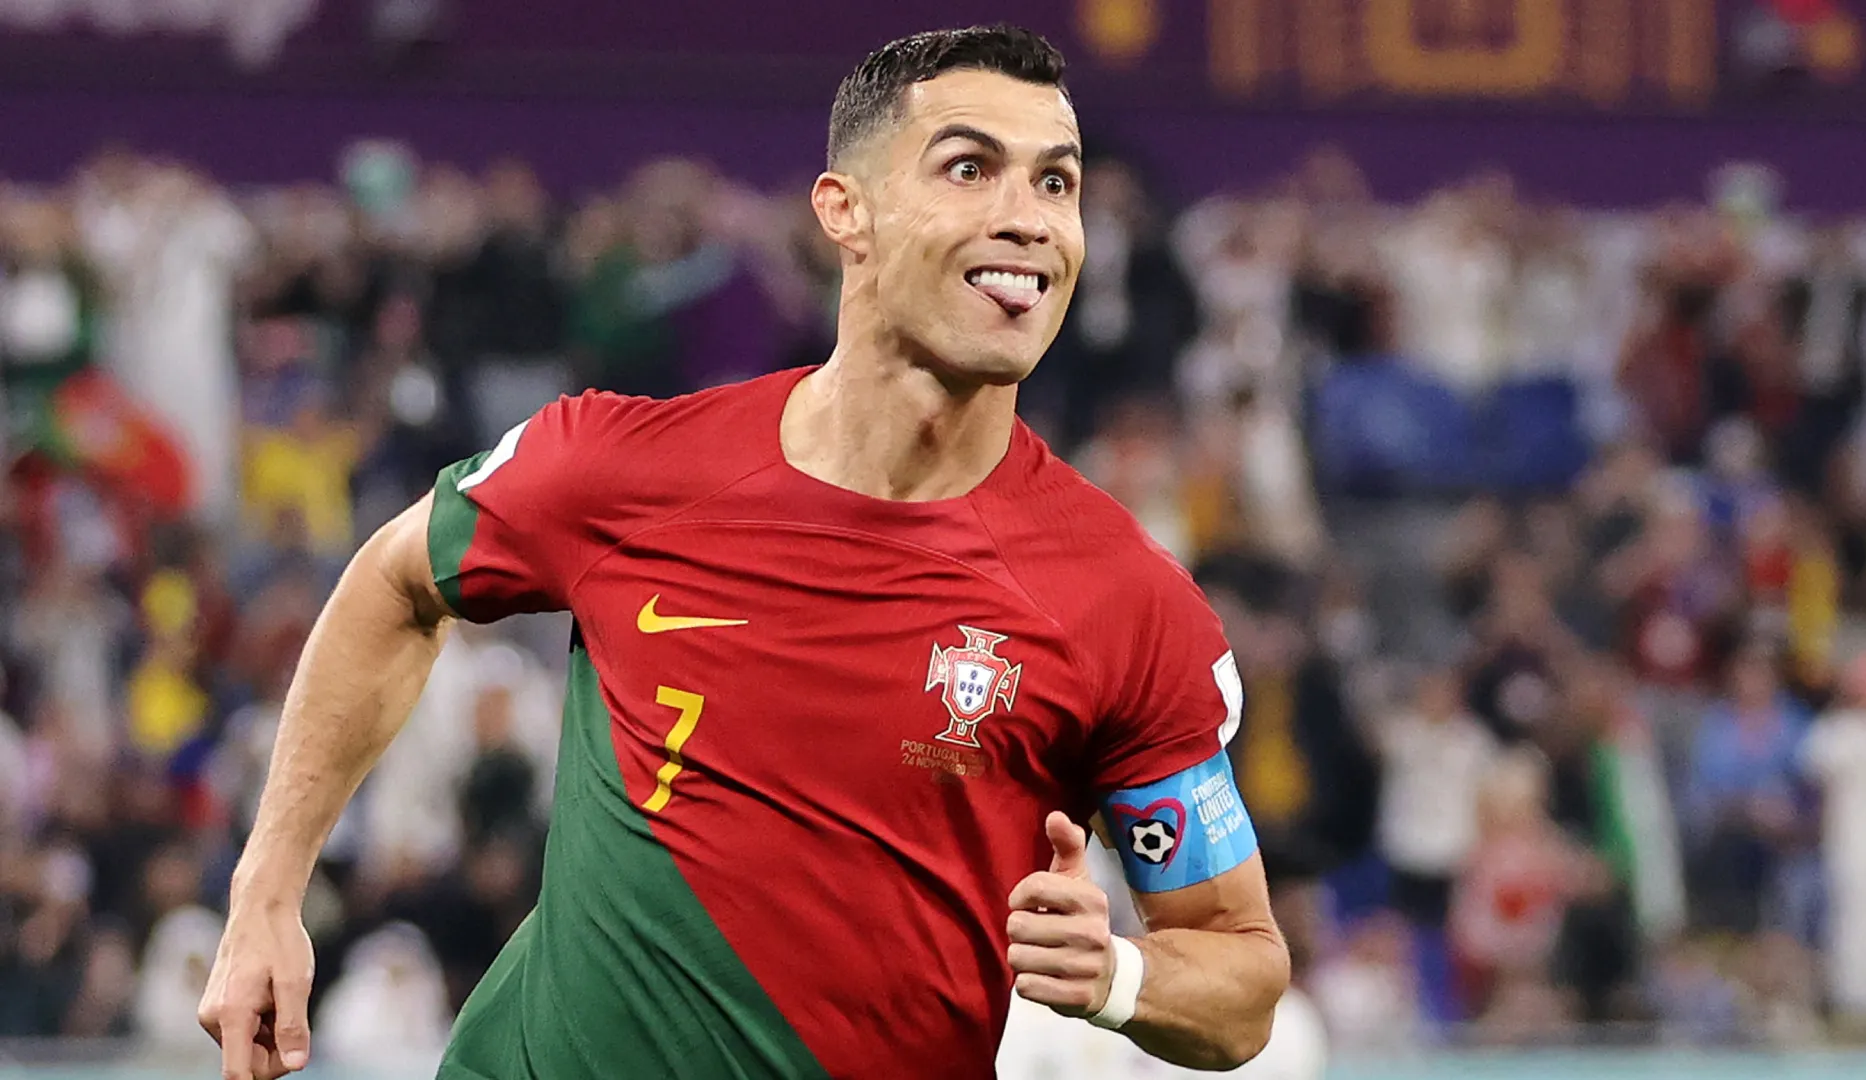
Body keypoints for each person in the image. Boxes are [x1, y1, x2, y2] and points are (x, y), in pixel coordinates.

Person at [196, 25, 1289, 1080]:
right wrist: (266, 896)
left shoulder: (1124, 599)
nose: (1028, 219)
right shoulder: (619, 470)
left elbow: (1240, 972)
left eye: (1056, 182)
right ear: (845, 211)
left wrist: (1120, 976)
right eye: (970, 169)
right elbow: (398, 582)